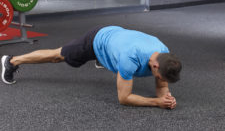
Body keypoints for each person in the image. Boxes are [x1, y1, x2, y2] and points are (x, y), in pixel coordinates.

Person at [1, 25, 182, 109]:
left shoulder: (164, 53)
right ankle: (11, 61)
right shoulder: (129, 60)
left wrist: (166, 99)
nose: (160, 81)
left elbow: (162, 86)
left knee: (118, 60)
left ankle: (105, 59)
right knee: (58, 56)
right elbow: (124, 98)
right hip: (97, 39)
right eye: (159, 77)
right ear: (155, 65)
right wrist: (156, 102)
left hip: (118, 38)